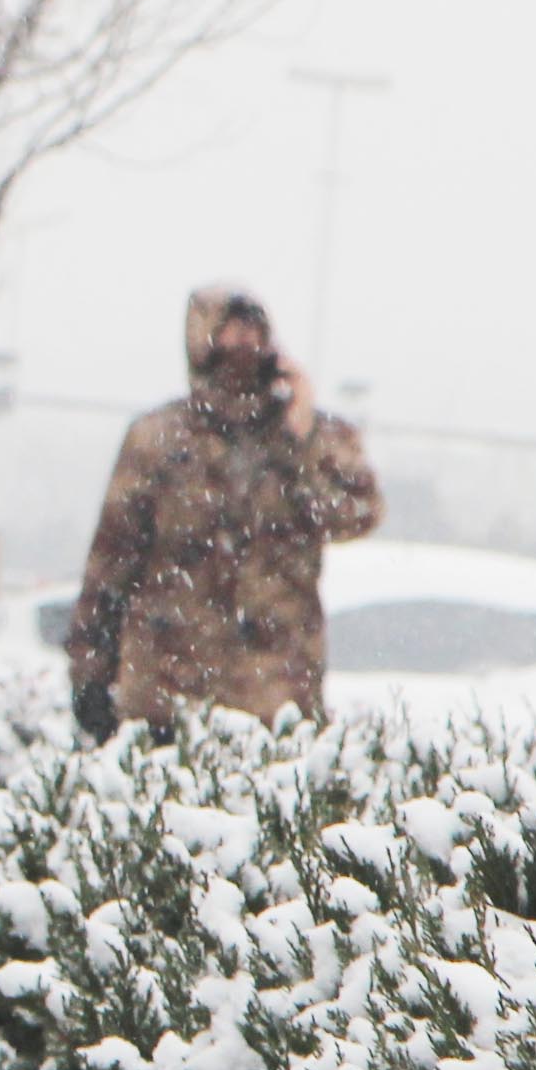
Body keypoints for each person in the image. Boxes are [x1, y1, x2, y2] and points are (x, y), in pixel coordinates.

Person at [63, 282, 381, 742]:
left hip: (276, 704)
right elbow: (111, 564)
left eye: (254, 332)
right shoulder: (159, 440)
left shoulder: (311, 434)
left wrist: (302, 440)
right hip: (166, 699)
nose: (244, 345)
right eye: (230, 332)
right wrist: (91, 672)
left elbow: (357, 514)